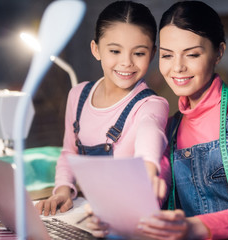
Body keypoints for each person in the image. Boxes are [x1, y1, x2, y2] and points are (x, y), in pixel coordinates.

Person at [87, 1, 228, 239]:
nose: (177, 67)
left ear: (218, 52)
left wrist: (193, 227)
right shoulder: (170, 127)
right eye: (167, 55)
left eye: (192, 54)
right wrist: (114, 215)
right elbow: (154, 193)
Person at [35, 1, 169, 217]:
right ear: (96, 49)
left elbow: (150, 135)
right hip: (88, 213)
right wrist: (62, 190)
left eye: (139, 53)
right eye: (115, 50)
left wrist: (148, 171)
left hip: (132, 217)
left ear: (152, 54)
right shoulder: (77, 96)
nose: (126, 62)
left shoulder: (151, 105)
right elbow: (70, 152)